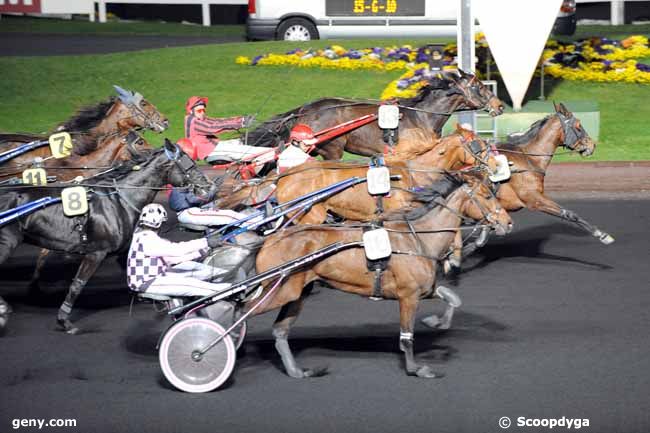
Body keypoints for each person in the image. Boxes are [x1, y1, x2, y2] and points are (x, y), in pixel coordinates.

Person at [126, 203, 230, 298]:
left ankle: (228, 275)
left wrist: (202, 251)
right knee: (191, 284)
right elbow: (176, 250)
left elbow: (173, 259)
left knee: (193, 267)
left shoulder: (143, 236)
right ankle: (230, 289)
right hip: (146, 282)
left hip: (157, 275)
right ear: (160, 224)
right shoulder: (147, 239)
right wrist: (205, 242)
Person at [183, 96, 275, 168]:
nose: (202, 112)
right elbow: (214, 127)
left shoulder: (198, 119)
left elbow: (219, 121)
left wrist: (241, 120)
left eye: (203, 110)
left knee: (239, 141)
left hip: (214, 147)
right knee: (248, 151)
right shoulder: (194, 122)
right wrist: (241, 123)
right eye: (199, 110)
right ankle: (272, 152)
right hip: (211, 151)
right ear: (191, 111)